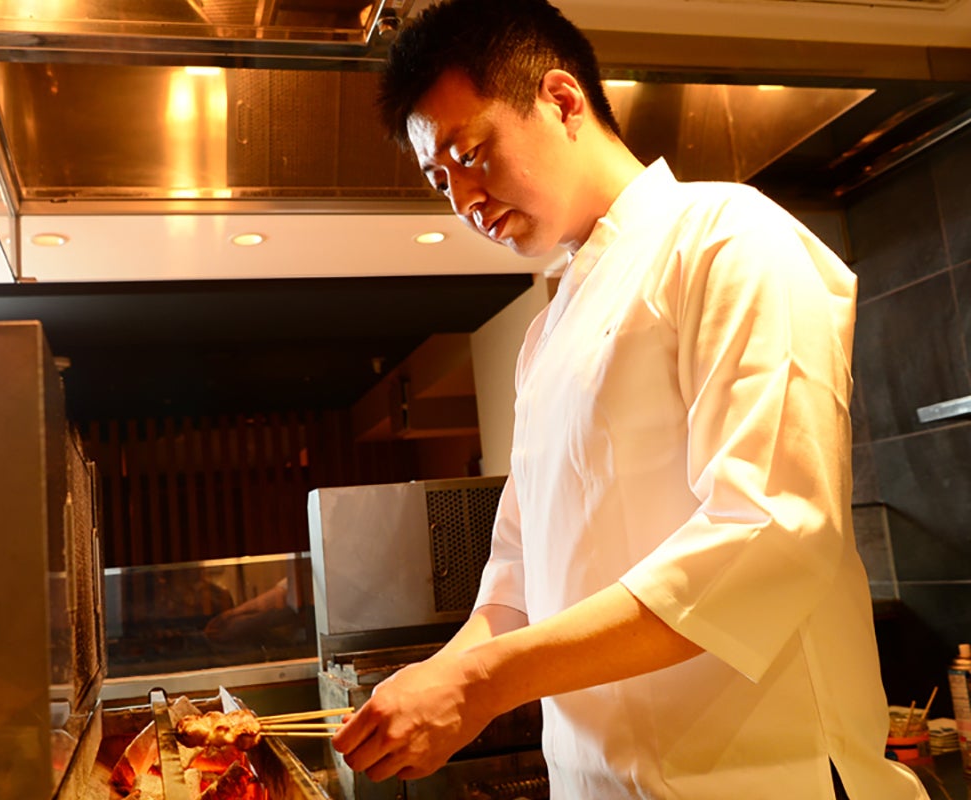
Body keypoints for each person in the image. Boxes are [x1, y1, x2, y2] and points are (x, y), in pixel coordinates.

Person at [329, 1, 926, 798]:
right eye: (441, 181)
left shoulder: (725, 235)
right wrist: (440, 678)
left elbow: (769, 530)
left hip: (761, 779)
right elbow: (518, 576)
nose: (464, 197)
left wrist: (485, 683)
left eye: (471, 154)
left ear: (562, 100)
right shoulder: (544, 339)